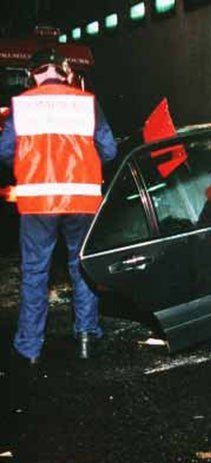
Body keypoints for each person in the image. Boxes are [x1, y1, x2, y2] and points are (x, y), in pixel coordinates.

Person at [0, 48, 117, 366]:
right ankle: (85, 336)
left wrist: (28, 167)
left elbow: (5, 150)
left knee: (35, 272)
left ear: (33, 74)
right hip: (82, 200)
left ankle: (29, 348)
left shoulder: (20, 104)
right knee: (81, 268)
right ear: (65, 73)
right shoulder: (87, 102)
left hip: (38, 202)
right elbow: (109, 149)